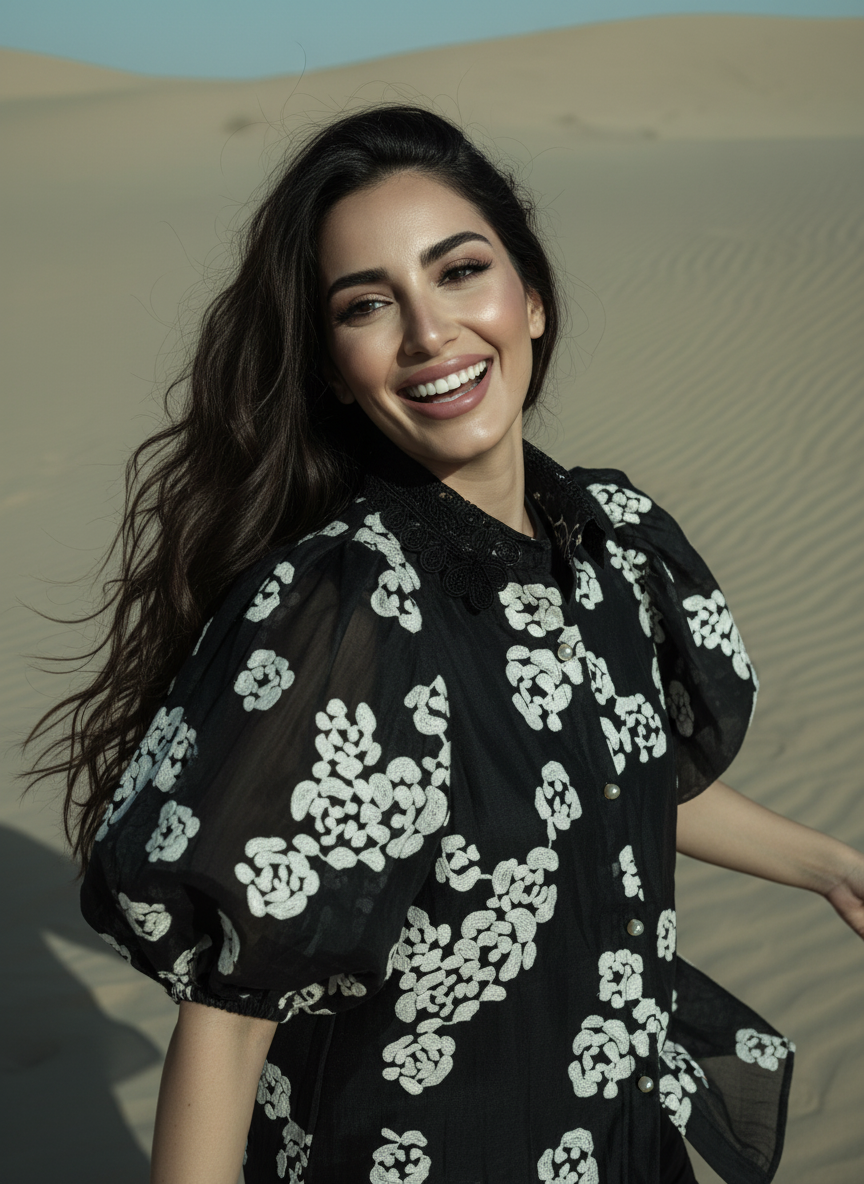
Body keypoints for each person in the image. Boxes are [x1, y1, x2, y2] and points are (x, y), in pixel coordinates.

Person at [26, 105, 864, 1184]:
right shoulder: (343, 607)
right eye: (369, 304)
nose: (429, 335)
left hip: (617, 1137)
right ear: (333, 368)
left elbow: (609, 769)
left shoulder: (607, 542)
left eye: (460, 271)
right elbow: (229, 1020)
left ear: (534, 296)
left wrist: (831, 864)